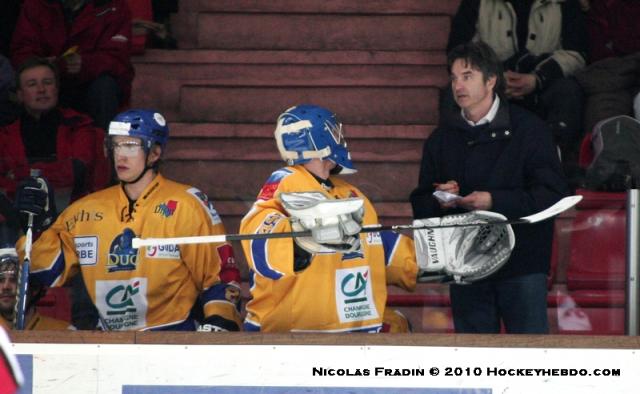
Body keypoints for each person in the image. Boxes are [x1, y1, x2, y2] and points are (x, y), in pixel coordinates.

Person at [14, 108, 242, 331]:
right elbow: (47, 272)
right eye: (116, 145)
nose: (120, 154)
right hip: (111, 345)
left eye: (131, 145)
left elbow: (220, 277)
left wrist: (220, 320)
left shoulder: (187, 205)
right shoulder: (84, 210)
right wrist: (37, 228)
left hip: (173, 341)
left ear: (155, 153)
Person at [410, 42, 569, 334]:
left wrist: (493, 201)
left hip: (522, 265)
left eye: (467, 76)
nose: (458, 85)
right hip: (466, 266)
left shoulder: (531, 130)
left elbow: (552, 194)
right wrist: (440, 199)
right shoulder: (440, 139)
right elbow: (420, 204)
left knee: (530, 360)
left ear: (491, 80)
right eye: (454, 77)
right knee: (473, 363)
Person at [239, 104, 418, 333]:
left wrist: (432, 262)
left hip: (352, 338)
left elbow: (377, 247)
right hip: (291, 341)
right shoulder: (288, 183)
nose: (340, 139)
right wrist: (302, 241)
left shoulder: (350, 194)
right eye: (334, 132)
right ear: (319, 139)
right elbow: (257, 238)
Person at [445, 0, 588, 175]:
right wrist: (494, 78)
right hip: (491, 86)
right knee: (455, 93)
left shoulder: (563, 3)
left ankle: (552, 166)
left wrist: (537, 79)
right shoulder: (477, 3)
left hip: (544, 85)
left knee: (569, 91)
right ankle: (463, 171)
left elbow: (577, 54)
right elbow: (458, 52)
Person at [11, 0, 134, 131]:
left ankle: (102, 145)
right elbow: (21, 52)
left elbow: (118, 60)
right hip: (50, 79)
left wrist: (85, 64)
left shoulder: (113, 7)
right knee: (32, 83)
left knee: (104, 86)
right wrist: (43, 65)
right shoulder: (35, 6)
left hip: (91, 85)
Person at [0, 57, 108, 204]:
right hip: (18, 211)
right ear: (20, 95)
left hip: (72, 210)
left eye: (47, 82)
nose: (41, 90)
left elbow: (76, 172)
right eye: (32, 84)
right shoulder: (6, 134)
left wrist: (19, 174)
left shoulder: (79, 125)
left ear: (56, 89)